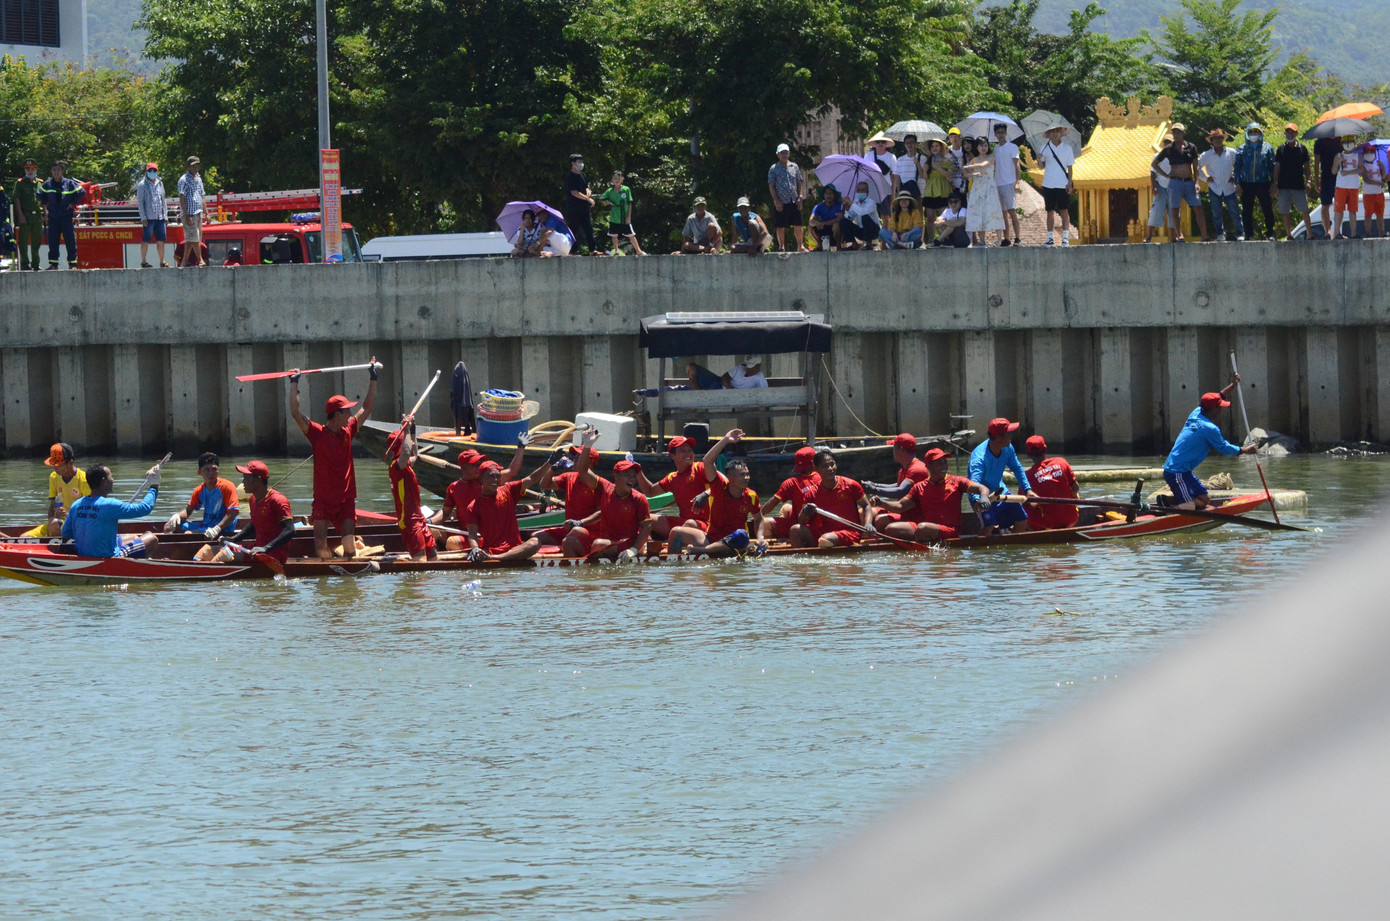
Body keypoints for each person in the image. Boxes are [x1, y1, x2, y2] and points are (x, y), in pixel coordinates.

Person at [288, 358, 378, 559]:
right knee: (320, 545)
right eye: (347, 410)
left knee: (348, 542)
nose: (351, 413)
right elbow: (295, 412)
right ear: (337, 413)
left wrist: (373, 377)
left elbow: (367, 408)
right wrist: (294, 382)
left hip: (346, 498)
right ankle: (329, 570)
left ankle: (350, 572)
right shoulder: (317, 433)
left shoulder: (349, 430)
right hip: (324, 499)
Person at [667, 429, 768, 557]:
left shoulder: (751, 495)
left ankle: (702, 550)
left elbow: (759, 519)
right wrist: (725, 440)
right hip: (711, 539)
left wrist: (760, 538)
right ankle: (673, 563)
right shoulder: (719, 487)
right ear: (730, 478)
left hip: (737, 542)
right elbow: (707, 461)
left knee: (742, 535)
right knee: (676, 532)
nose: (746, 478)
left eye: (747, 474)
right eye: (742, 475)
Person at [1163, 378, 1257, 509]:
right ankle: (1170, 509)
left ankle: (1168, 501)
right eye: (1220, 408)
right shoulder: (1210, 428)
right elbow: (1224, 448)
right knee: (1189, 506)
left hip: (1184, 471)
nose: (1221, 411)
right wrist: (1245, 450)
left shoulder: (1196, 413)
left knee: (1205, 499)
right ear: (1213, 409)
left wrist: (1233, 385)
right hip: (1176, 472)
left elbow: (1219, 396)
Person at [461, 449, 568, 562]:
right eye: (491, 476)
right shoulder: (473, 506)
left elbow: (531, 479)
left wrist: (550, 462)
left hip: (515, 548)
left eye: (498, 476)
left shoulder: (508, 490)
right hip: (492, 549)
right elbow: (472, 534)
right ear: (481, 479)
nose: (495, 480)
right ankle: (498, 557)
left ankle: (496, 559)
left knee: (535, 542)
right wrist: (475, 548)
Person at [875, 447, 990, 543]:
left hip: (949, 530)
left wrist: (984, 497)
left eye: (945, 462)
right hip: (925, 528)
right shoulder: (919, 487)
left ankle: (922, 551)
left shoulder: (957, 481)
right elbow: (900, 506)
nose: (944, 466)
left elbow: (982, 488)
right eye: (939, 463)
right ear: (928, 466)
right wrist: (881, 503)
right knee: (891, 529)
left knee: (923, 528)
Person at [431, 443, 527, 549]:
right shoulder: (453, 487)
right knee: (431, 530)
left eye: (480, 463)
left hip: (483, 536)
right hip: (466, 533)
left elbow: (512, 471)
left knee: (452, 542)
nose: (479, 467)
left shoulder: (489, 479)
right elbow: (445, 512)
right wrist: (430, 522)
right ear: (463, 468)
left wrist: (520, 448)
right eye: (474, 465)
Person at [202, 460, 296, 564]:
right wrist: (234, 539)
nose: (243, 482)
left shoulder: (278, 500)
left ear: (258, 480)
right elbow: (253, 525)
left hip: (273, 553)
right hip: (256, 549)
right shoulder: (252, 499)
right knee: (208, 551)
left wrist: (266, 548)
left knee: (223, 555)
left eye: (246, 478)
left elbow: (290, 530)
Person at [61, 463, 162, 558]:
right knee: (151, 538)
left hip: (83, 554)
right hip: (108, 558)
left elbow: (66, 533)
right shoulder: (110, 505)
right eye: (111, 477)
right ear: (104, 481)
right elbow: (144, 508)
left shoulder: (76, 505)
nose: (113, 480)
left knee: (133, 537)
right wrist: (154, 486)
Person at [569, 454, 652, 561]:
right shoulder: (605, 488)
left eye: (633, 476)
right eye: (627, 475)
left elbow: (647, 527)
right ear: (616, 476)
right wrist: (587, 447)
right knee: (569, 541)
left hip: (627, 543)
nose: (632, 479)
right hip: (607, 541)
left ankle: (592, 569)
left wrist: (634, 550)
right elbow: (583, 471)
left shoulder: (639, 499)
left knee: (599, 544)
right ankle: (574, 570)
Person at [967, 417, 1038, 536]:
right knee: (988, 527)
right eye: (1008, 433)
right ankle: (983, 546)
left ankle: (1013, 544)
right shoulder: (979, 458)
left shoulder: (1008, 447)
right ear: (999, 437)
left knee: (1022, 519)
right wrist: (977, 501)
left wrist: (1027, 489)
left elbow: (1017, 468)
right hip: (982, 496)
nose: (1012, 435)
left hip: (1000, 490)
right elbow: (973, 483)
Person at [539, 439, 608, 556]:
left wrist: (580, 523)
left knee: (574, 533)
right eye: (575, 457)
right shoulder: (568, 477)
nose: (575, 459)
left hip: (590, 532)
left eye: (578, 457)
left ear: (589, 461)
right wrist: (553, 468)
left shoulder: (598, 485)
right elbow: (544, 484)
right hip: (570, 528)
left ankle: (570, 552)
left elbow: (602, 513)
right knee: (537, 536)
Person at [792, 448, 873, 548]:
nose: (830, 468)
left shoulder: (851, 485)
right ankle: (803, 557)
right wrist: (805, 511)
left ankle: (821, 547)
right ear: (815, 468)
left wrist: (868, 524)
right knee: (795, 530)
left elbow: (866, 505)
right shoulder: (811, 493)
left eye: (832, 464)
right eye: (825, 466)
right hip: (824, 531)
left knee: (825, 539)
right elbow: (802, 522)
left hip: (850, 532)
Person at [383, 417, 438, 561]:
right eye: (407, 441)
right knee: (420, 560)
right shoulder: (397, 467)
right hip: (409, 521)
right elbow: (407, 452)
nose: (411, 443)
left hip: (419, 518)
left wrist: (412, 428)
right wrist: (406, 429)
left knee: (433, 556)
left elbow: (414, 454)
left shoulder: (405, 465)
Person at [637, 435, 706, 538]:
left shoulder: (700, 468)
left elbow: (724, 484)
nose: (688, 454)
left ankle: (675, 543)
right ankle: (648, 544)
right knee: (644, 518)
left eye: (689, 450)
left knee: (689, 524)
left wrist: (705, 494)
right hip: (682, 522)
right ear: (672, 455)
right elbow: (650, 491)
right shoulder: (671, 478)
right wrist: (638, 472)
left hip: (705, 524)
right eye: (683, 451)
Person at [1152, 124, 1210, 244]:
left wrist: (1197, 182)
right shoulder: (1169, 149)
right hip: (1175, 181)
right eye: (1174, 132)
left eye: (1178, 132)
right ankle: (1179, 235)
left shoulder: (1191, 147)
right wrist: (1165, 175)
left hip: (1188, 181)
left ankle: (1204, 235)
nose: (1176, 135)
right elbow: (1154, 164)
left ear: (1184, 133)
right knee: (1174, 209)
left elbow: (1195, 166)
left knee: (1198, 207)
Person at [163, 452, 239, 540]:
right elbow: (188, 511)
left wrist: (217, 529)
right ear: (199, 472)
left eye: (214, 469)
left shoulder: (227, 486)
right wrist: (177, 516)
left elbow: (233, 512)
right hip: (205, 526)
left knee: (188, 534)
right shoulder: (199, 490)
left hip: (223, 528)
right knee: (168, 527)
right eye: (207, 470)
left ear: (218, 470)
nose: (211, 473)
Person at [864, 433, 931, 529]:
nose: (892, 451)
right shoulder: (904, 468)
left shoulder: (917, 469)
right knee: (863, 512)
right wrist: (874, 485)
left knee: (880, 520)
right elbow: (897, 485)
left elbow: (900, 491)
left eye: (893, 447)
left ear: (901, 449)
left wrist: (874, 489)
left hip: (912, 515)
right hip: (901, 511)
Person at [22, 443, 89, 538]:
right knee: (24, 537)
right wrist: (50, 524)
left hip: (77, 525)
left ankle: (60, 544)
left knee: (54, 523)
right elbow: (52, 505)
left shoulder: (84, 479)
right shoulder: (53, 477)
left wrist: (68, 516)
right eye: (53, 464)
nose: (55, 468)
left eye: (59, 465)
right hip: (57, 522)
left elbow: (89, 512)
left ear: (70, 462)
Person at [760, 445, 819, 541]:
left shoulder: (791, 483)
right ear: (813, 462)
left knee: (764, 523)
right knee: (786, 507)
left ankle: (780, 540)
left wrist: (758, 516)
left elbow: (773, 503)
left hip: (799, 524)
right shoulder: (824, 478)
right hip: (820, 522)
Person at [1022, 435, 1079, 530]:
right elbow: (1076, 487)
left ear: (1028, 454)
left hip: (1050, 523)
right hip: (1072, 518)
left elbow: (1025, 502)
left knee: (1023, 507)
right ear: (1045, 449)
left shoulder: (1027, 476)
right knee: (1074, 494)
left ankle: (1036, 533)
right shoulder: (1062, 462)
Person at [39, 161, 85, 269]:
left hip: (66, 217)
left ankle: (72, 264)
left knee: (70, 240)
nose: (56, 172)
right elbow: (41, 196)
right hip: (53, 217)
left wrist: (72, 203)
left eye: (58, 170)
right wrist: (45, 211)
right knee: (53, 241)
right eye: (54, 170)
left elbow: (82, 192)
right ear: (51, 171)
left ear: (62, 171)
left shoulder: (69, 183)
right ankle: (54, 264)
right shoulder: (47, 184)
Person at [1233, 123, 1275, 241]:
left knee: (1267, 209)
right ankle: (1249, 234)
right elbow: (1237, 168)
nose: (1254, 134)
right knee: (1247, 210)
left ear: (1260, 133)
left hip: (1263, 183)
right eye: (1251, 132)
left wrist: (1274, 183)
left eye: (1256, 132)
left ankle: (1270, 233)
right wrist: (1237, 184)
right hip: (1246, 183)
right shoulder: (1242, 149)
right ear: (1247, 134)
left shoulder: (1267, 148)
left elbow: (1272, 167)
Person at [1271, 123, 1314, 241]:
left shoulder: (1302, 148)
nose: (1290, 134)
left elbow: (1307, 167)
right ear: (1285, 133)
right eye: (1288, 132)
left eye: (1292, 132)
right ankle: (1289, 234)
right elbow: (1277, 167)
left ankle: (1309, 234)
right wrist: (1274, 183)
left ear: (1296, 133)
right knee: (1285, 211)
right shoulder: (1280, 149)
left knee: (1305, 210)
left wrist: (1309, 180)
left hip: (1299, 186)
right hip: (1283, 186)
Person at [1199, 129, 1242, 242]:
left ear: (1223, 139)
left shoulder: (1231, 152)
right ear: (1212, 141)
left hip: (1229, 186)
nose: (1218, 141)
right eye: (1215, 139)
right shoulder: (1206, 155)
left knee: (1235, 211)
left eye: (1220, 138)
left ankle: (1240, 233)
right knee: (1216, 212)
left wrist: (1234, 176)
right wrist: (1205, 178)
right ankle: (1220, 233)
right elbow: (1197, 166)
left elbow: (1240, 165)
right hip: (1215, 187)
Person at [964, 137, 1005, 246]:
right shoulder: (974, 159)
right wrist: (973, 173)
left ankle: (999, 239)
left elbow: (983, 165)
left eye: (985, 145)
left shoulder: (991, 156)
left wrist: (968, 166)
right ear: (977, 147)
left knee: (994, 210)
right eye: (981, 145)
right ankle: (982, 240)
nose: (983, 147)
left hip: (989, 186)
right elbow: (965, 174)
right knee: (978, 212)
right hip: (977, 187)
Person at [1038, 127, 1074, 246]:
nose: (1055, 134)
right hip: (1048, 183)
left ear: (1061, 133)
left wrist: (1069, 183)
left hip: (1062, 183)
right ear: (1049, 133)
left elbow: (1070, 167)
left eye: (1057, 131)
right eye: (1052, 131)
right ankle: (1050, 238)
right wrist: (1039, 160)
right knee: (1050, 211)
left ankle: (1065, 238)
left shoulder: (1067, 148)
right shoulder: (1044, 147)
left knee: (1064, 210)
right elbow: (1041, 167)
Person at [767, 143, 807, 252]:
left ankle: (800, 245)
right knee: (780, 226)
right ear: (778, 154)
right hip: (781, 201)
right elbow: (771, 185)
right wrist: (776, 201)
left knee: (798, 224)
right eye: (782, 153)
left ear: (789, 154)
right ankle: (781, 247)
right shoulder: (774, 168)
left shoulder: (794, 166)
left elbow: (799, 181)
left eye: (786, 152)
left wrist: (800, 196)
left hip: (794, 200)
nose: (784, 155)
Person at [597, 170, 646, 256]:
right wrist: (608, 202)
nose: (616, 180)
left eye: (618, 178)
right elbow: (601, 199)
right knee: (614, 235)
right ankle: (616, 251)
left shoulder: (626, 189)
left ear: (622, 179)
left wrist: (629, 216)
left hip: (624, 216)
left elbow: (630, 203)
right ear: (612, 180)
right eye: (615, 178)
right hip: (614, 217)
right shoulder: (610, 191)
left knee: (631, 235)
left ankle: (638, 251)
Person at [993, 124, 1023, 246]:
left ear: (1006, 133)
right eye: (998, 132)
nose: (1000, 135)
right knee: (1002, 212)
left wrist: (1017, 182)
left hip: (1009, 182)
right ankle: (1006, 238)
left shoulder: (1012, 147)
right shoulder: (995, 149)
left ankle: (1018, 238)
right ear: (995, 134)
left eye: (1002, 132)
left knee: (1011, 210)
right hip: (998, 182)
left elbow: (1017, 165)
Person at [136, 162, 170, 268]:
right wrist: (143, 217)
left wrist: (165, 216)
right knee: (146, 239)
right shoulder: (142, 184)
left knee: (161, 240)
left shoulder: (160, 183)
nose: (152, 172)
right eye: (150, 170)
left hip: (160, 217)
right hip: (149, 217)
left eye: (154, 170)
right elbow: (140, 202)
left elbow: (163, 200)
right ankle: (143, 261)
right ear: (146, 171)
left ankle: (162, 261)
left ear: (157, 171)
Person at [563, 153, 598, 255]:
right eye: (579, 162)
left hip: (584, 208)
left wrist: (588, 192)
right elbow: (574, 192)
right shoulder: (570, 177)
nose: (581, 164)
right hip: (574, 209)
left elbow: (587, 187)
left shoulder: (582, 175)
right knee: (574, 230)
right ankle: (573, 251)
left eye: (582, 162)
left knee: (589, 229)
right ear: (573, 163)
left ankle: (592, 250)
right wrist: (588, 199)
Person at [12, 158, 43, 271]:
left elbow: (44, 199)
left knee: (37, 241)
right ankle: (25, 264)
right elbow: (16, 198)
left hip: (37, 216)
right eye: (28, 169)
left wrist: (46, 213)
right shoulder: (20, 183)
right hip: (25, 215)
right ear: (25, 170)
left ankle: (36, 264)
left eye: (33, 169)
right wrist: (20, 214)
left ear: (36, 170)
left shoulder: (40, 183)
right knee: (23, 242)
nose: (30, 171)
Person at [1330, 137, 1363, 240]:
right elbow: (1333, 171)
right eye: (1346, 142)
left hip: (1353, 186)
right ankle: (1337, 233)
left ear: (1354, 143)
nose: (1348, 144)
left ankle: (1353, 234)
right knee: (1339, 210)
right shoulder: (1338, 155)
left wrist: (1348, 172)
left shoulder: (1357, 155)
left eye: (1350, 142)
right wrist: (1337, 162)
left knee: (1353, 210)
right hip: (1341, 186)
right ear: (1342, 144)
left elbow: (1362, 169)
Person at [921, 139, 953, 243]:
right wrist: (925, 170)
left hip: (943, 189)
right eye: (932, 146)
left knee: (944, 216)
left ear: (941, 147)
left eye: (936, 146)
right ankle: (931, 240)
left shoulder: (947, 161)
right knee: (930, 217)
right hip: (930, 190)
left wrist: (938, 168)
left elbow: (950, 176)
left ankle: (945, 239)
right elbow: (925, 178)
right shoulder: (928, 161)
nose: (934, 148)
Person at [177, 156, 206, 267]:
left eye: (197, 166)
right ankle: (200, 259)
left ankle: (184, 261)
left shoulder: (198, 179)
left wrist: (206, 212)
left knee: (191, 238)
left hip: (198, 212)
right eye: (193, 166)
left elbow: (202, 195)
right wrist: (186, 214)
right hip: (190, 213)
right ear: (188, 166)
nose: (195, 168)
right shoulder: (183, 180)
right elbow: (182, 198)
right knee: (194, 238)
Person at [1314, 131, 1342, 239]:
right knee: (1325, 204)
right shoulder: (1319, 142)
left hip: (1339, 175)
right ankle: (1327, 232)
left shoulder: (1340, 139)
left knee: (1340, 204)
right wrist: (1317, 180)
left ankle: (1337, 232)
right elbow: (1316, 162)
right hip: (1325, 175)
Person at [839, 180, 881, 249]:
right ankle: (854, 244)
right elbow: (850, 218)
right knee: (843, 222)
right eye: (858, 190)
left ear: (867, 192)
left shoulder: (871, 203)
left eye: (863, 190)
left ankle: (868, 244)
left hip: (873, 231)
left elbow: (862, 212)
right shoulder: (856, 203)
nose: (860, 192)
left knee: (864, 217)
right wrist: (847, 209)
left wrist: (851, 203)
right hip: (862, 231)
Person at [865, 132, 898, 219]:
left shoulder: (892, 157)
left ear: (886, 143)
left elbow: (894, 176)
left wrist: (893, 193)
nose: (880, 144)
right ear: (875, 144)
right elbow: (864, 173)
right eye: (878, 142)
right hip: (871, 189)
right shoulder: (868, 156)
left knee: (886, 216)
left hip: (886, 190)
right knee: (871, 215)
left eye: (883, 142)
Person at [1143, 158, 1173, 244]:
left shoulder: (1176, 155)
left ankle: (1174, 237)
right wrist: (1154, 186)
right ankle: (1149, 236)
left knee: (1174, 211)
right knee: (1156, 211)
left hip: (1173, 186)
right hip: (1160, 186)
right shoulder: (1158, 156)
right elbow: (1153, 172)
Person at [891, 134, 928, 200]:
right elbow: (897, 178)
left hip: (920, 192)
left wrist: (918, 164)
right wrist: (899, 192)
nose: (909, 144)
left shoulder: (922, 158)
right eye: (907, 143)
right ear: (904, 145)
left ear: (916, 144)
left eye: (912, 142)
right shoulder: (900, 159)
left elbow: (923, 176)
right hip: (905, 192)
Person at [1361, 145, 1386, 239]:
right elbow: (1366, 179)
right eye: (1367, 152)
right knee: (1368, 214)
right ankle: (1368, 233)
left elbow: (1383, 176)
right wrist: (1378, 183)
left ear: (1375, 154)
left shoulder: (1377, 164)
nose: (1369, 154)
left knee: (1380, 214)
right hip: (1368, 194)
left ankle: (1382, 233)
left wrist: (1383, 166)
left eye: (1371, 152)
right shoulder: (1363, 165)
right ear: (1364, 154)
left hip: (1379, 193)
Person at [809, 186, 844, 251]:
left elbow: (839, 219)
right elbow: (811, 221)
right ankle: (819, 245)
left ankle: (838, 246)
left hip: (835, 231)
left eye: (831, 193)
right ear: (824, 195)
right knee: (810, 227)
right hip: (824, 230)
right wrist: (817, 223)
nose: (828, 195)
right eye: (826, 193)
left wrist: (822, 223)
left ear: (834, 194)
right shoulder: (818, 206)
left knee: (836, 225)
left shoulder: (840, 205)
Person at [946, 127, 967, 193]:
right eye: (951, 137)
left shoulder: (964, 150)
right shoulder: (946, 150)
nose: (954, 139)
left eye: (956, 136)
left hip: (963, 183)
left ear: (960, 137)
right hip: (950, 185)